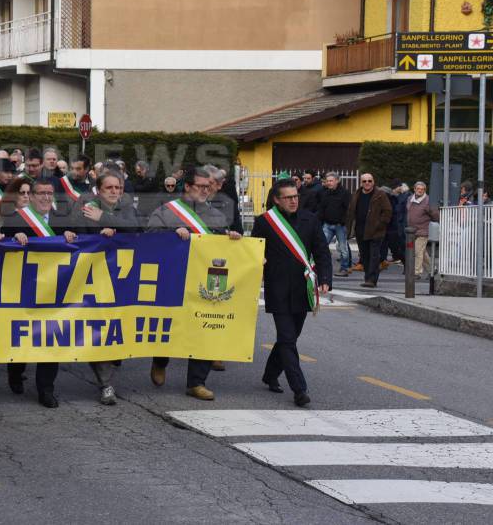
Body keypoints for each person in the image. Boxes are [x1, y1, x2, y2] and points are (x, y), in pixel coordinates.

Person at [146, 167, 242, 401]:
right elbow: (148, 238)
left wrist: (233, 239)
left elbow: (221, 242)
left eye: (208, 187)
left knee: (206, 328)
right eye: (200, 186)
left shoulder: (216, 214)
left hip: (205, 281)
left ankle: (196, 382)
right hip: (173, 278)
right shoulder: (166, 212)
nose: (205, 191)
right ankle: (160, 361)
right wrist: (170, 233)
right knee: (170, 326)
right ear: (187, 187)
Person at [0, 177, 76, 408]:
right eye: (41, 193)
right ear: (32, 196)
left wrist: (71, 235)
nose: (46, 197)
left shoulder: (63, 219)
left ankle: (46, 389)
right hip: (24, 289)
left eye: (50, 193)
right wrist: (12, 238)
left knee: (51, 339)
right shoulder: (16, 219)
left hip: (55, 290)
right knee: (24, 337)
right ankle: (15, 371)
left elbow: (83, 243)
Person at [253, 178, 331, 408]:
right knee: (287, 338)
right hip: (277, 288)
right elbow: (253, 249)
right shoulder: (265, 222)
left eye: (296, 196)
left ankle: (269, 374)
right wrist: (259, 258)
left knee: (290, 337)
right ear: (277, 200)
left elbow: (322, 251)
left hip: (302, 288)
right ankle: (299, 389)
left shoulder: (310, 219)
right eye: (288, 198)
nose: (294, 201)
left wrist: (325, 278)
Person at [70, 170, 141, 404]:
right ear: (99, 190)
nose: (114, 192)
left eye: (118, 188)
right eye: (109, 188)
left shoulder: (127, 208)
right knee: (99, 328)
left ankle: (111, 363)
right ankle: (106, 384)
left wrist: (106, 219)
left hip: (122, 277)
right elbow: (79, 239)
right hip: (94, 277)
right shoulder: (85, 208)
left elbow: (135, 230)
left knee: (117, 326)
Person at [346, 172, 391, 288]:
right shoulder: (357, 194)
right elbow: (351, 210)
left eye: (369, 181)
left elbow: (387, 211)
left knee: (374, 256)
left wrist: (380, 224)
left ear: (373, 182)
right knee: (364, 256)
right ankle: (368, 277)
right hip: (360, 230)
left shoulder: (380, 194)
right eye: (364, 181)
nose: (367, 183)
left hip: (376, 231)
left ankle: (371, 279)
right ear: (361, 183)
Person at [318, 172, 352, 277]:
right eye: (327, 181)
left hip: (340, 225)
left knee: (343, 248)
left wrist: (343, 221)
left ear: (337, 181)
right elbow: (322, 208)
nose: (329, 183)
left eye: (331, 181)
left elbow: (349, 209)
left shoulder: (345, 193)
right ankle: (320, 267)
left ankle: (344, 268)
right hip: (327, 224)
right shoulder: (325, 193)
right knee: (321, 246)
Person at [406, 181, 439, 279]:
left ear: (425, 190)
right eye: (418, 189)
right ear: (414, 189)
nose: (420, 191)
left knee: (417, 250)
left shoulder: (428, 200)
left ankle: (417, 272)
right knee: (422, 252)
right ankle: (432, 269)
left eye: (422, 189)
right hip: (412, 230)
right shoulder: (409, 199)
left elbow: (435, 215)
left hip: (423, 230)